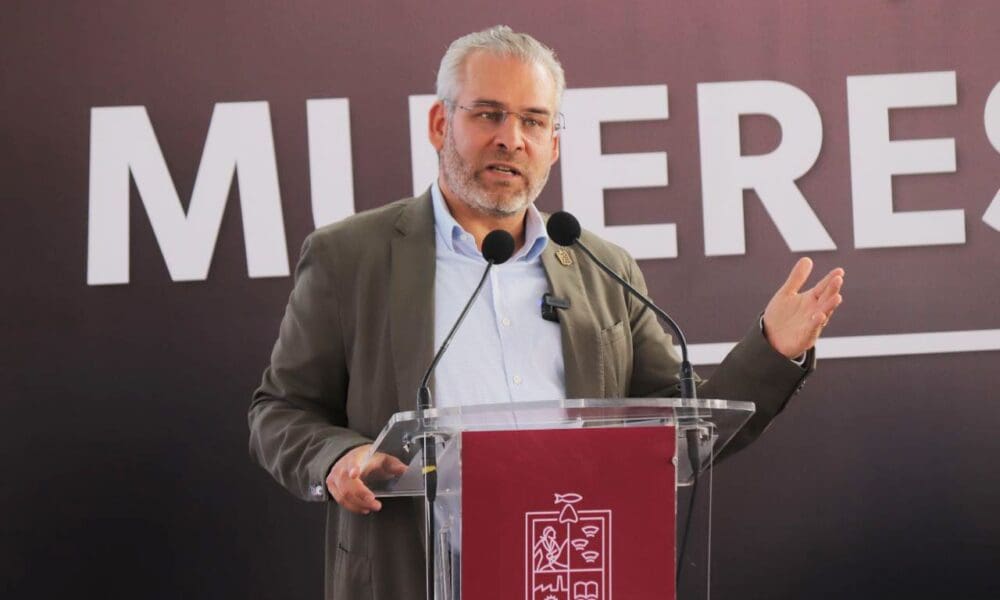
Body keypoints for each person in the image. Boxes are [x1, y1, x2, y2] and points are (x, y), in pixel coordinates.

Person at [248, 25, 844, 599]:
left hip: (575, 574)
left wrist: (772, 350)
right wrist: (338, 457)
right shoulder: (349, 257)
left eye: (533, 121)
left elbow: (683, 433)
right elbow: (280, 412)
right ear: (439, 124)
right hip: (414, 577)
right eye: (489, 114)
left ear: (553, 146)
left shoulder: (602, 269)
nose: (512, 138)